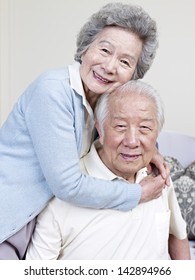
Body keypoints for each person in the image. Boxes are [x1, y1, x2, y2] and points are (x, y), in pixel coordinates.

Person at [0, 2, 168, 260]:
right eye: (104, 50)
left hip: (42, 223)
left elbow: (122, 134)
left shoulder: (101, 102)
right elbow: (68, 185)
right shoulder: (53, 91)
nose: (110, 66)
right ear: (86, 47)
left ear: (135, 74)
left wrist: (152, 152)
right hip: (10, 220)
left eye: (125, 61)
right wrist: (138, 193)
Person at [26, 80, 190, 260]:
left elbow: (177, 235)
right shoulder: (66, 190)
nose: (132, 141)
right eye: (120, 127)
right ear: (100, 130)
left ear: (157, 133)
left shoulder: (158, 176)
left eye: (144, 128)